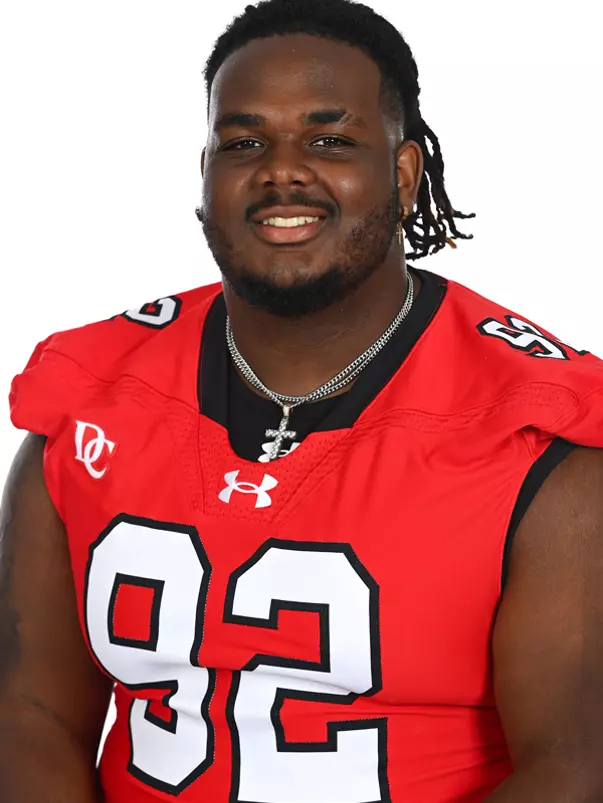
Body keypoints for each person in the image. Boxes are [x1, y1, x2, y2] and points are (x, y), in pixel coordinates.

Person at [2, 0, 603, 800]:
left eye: (329, 140)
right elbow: (30, 712)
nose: (281, 169)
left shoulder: (538, 433)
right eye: (243, 141)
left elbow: (577, 765)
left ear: (401, 173)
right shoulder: (88, 395)